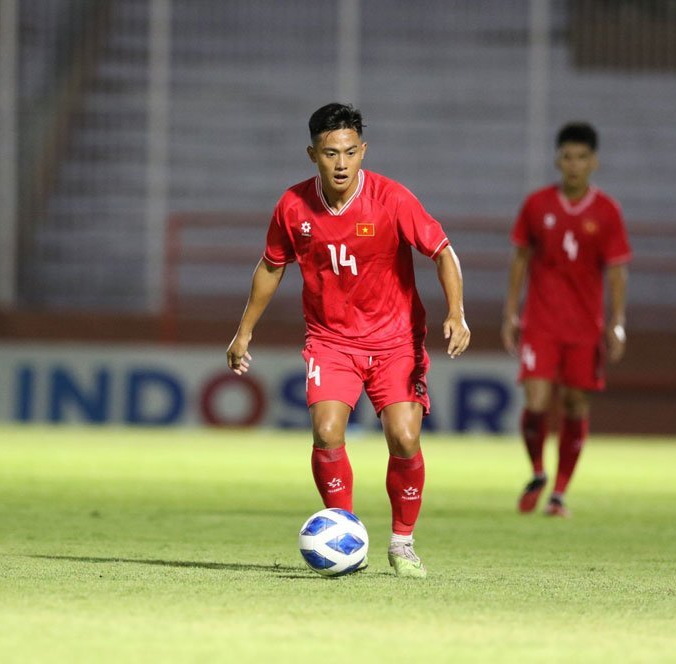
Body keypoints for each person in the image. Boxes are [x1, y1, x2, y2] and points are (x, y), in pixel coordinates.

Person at [226, 103, 470, 578]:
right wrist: (244, 330)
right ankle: (346, 535)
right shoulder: (292, 206)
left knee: (403, 436)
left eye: (350, 152)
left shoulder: (392, 198)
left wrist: (457, 314)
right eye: (330, 153)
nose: (341, 164)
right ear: (312, 154)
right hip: (331, 340)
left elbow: (443, 251)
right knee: (327, 431)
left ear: (363, 151)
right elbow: (272, 267)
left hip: (396, 339)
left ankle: (402, 543)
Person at [502, 121, 631, 518]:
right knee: (537, 399)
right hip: (541, 322)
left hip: (584, 327)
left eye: (581, 157)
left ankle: (558, 493)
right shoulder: (537, 205)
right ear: (558, 159)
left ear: (594, 162)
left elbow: (616, 271)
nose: (573, 165)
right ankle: (538, 472)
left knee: (576, 404)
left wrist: (617, 321)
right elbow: (521, 258)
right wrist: (511, 311)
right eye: (567, 157)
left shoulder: (607, 211)